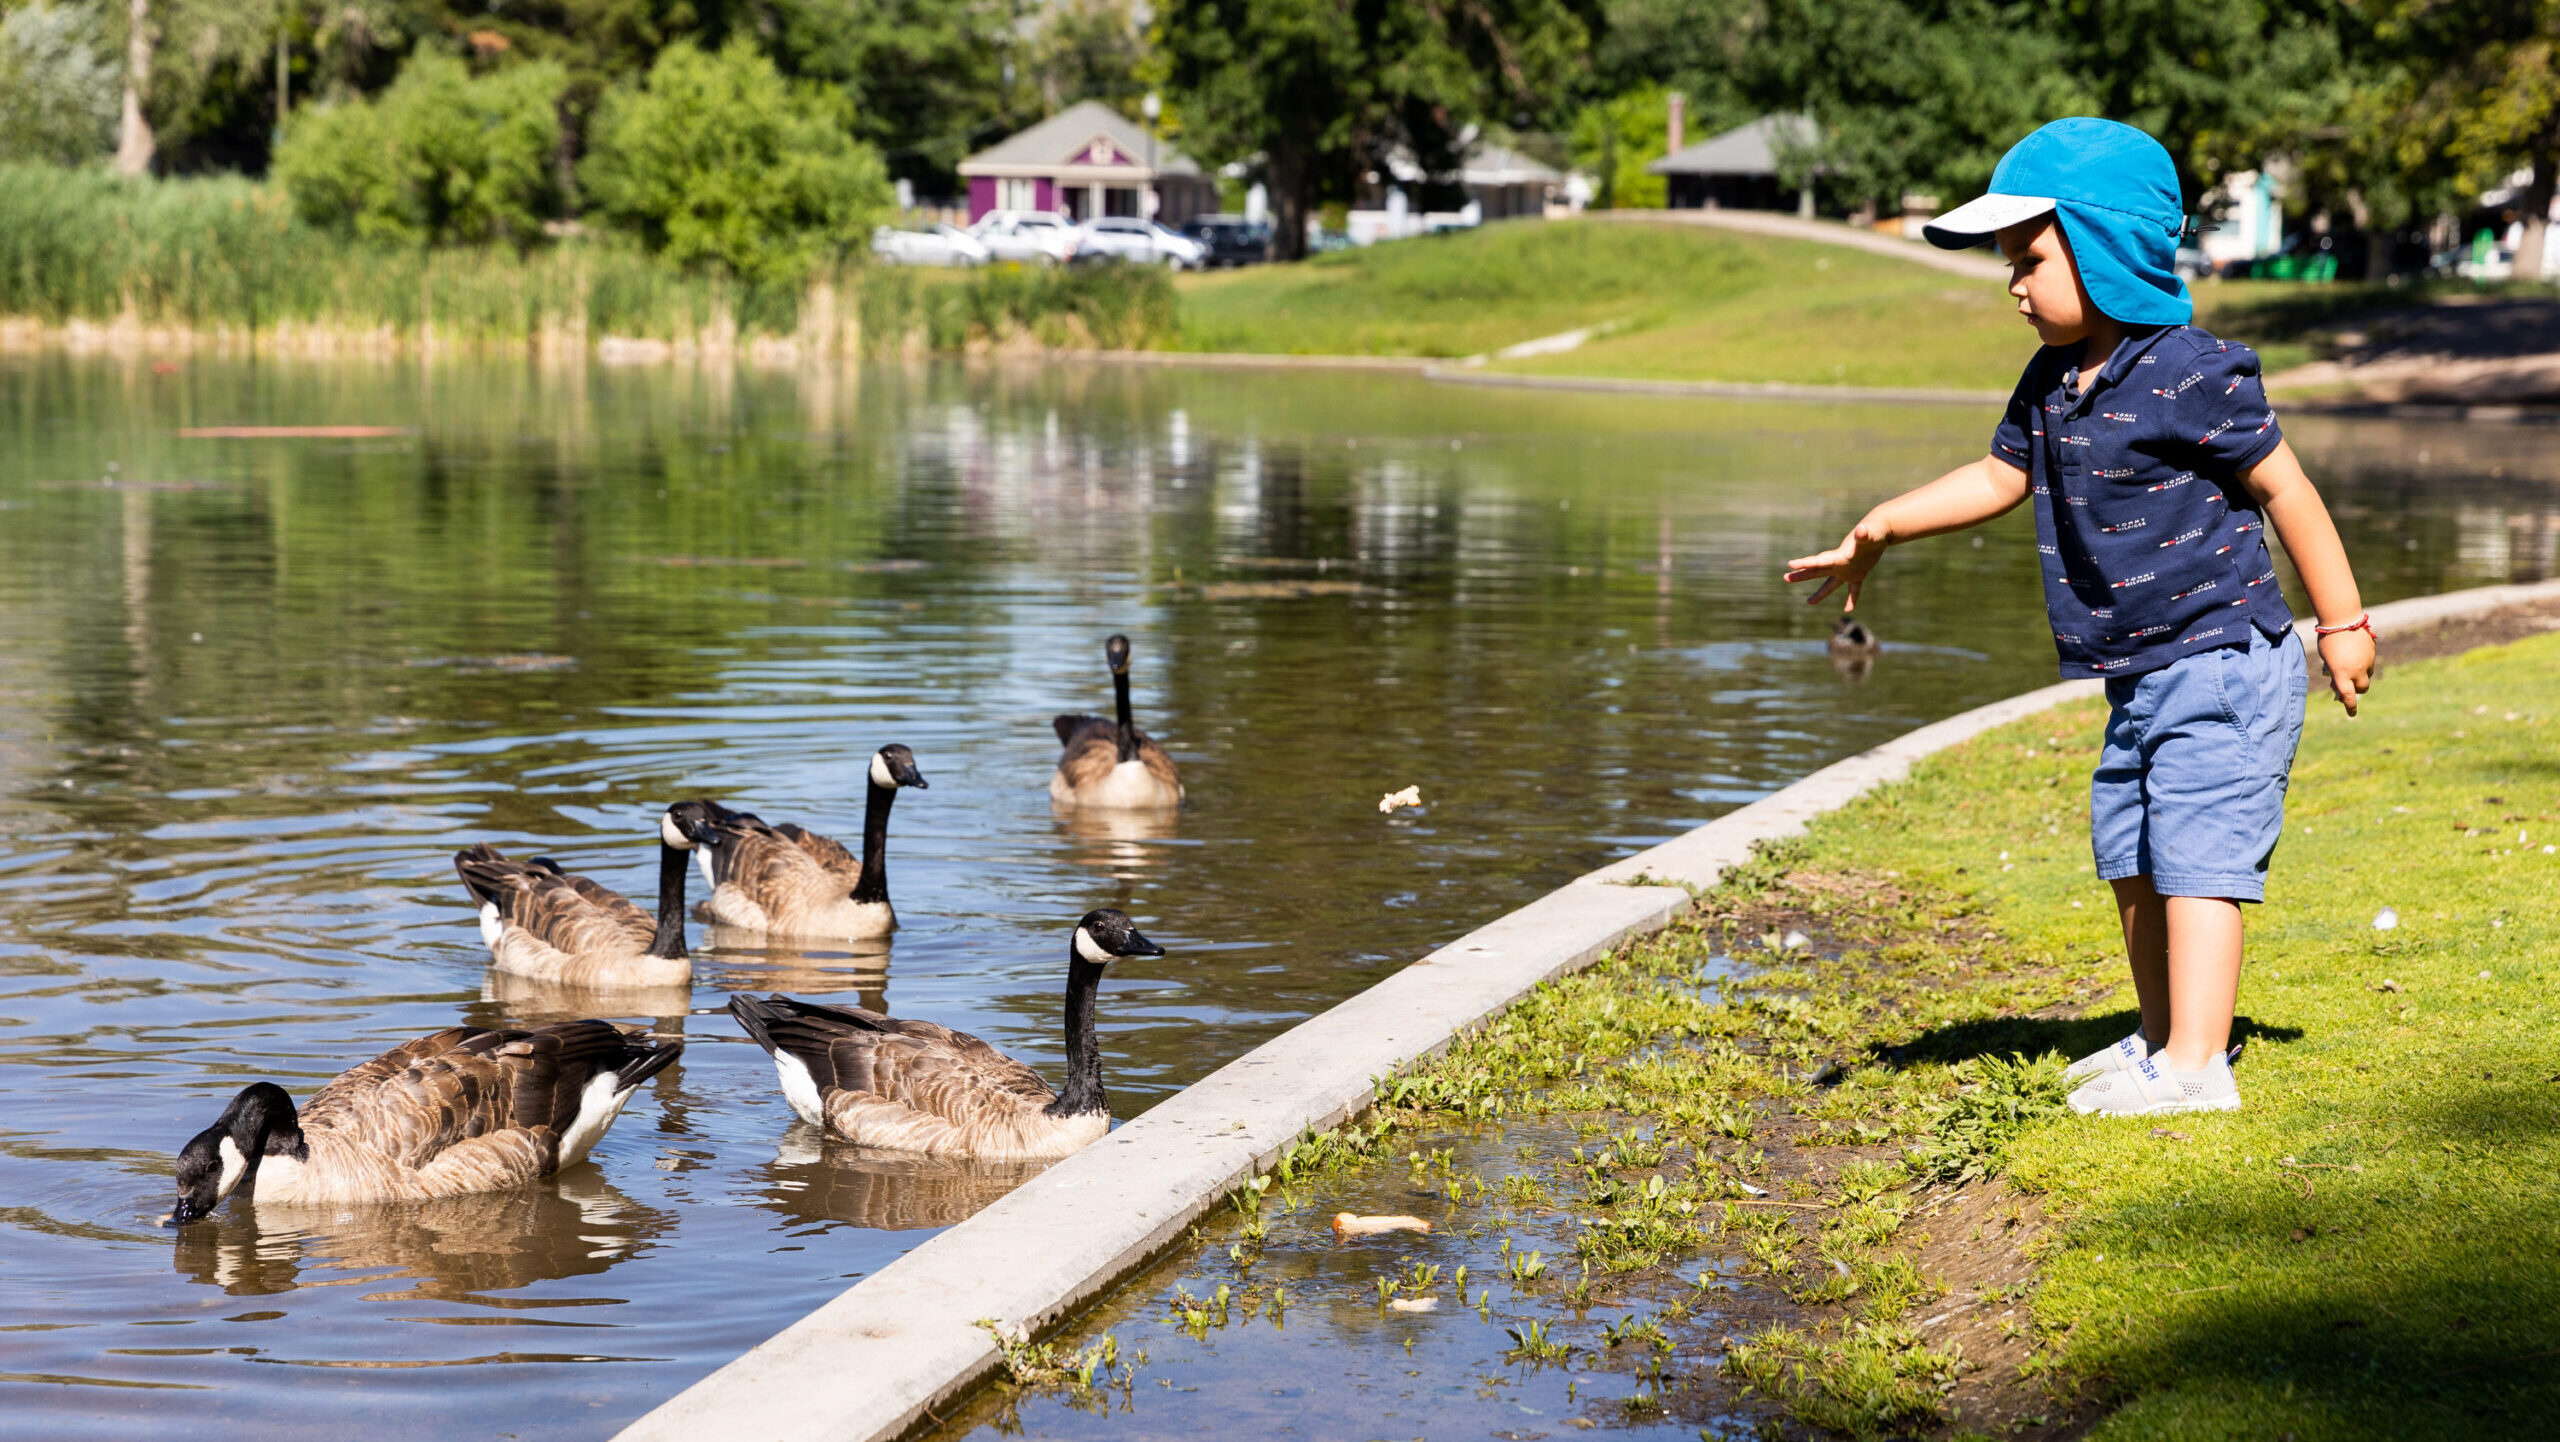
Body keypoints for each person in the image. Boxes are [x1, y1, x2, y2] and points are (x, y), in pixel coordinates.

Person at [1782, 118, 2376, 1117]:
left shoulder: (2192, 369)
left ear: (2100, 246)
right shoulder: (2051, 380)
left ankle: (2198, 1066)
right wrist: (1882, 524)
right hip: (2142, 670)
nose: (2013, 282)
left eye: (2029, 258)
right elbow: (1994, 476)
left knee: (2198, 853)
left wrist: (2344, 621)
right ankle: (2161, 1039)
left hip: (2226, 654)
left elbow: (2290, 493)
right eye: (2008, 264)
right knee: (2133, 851)